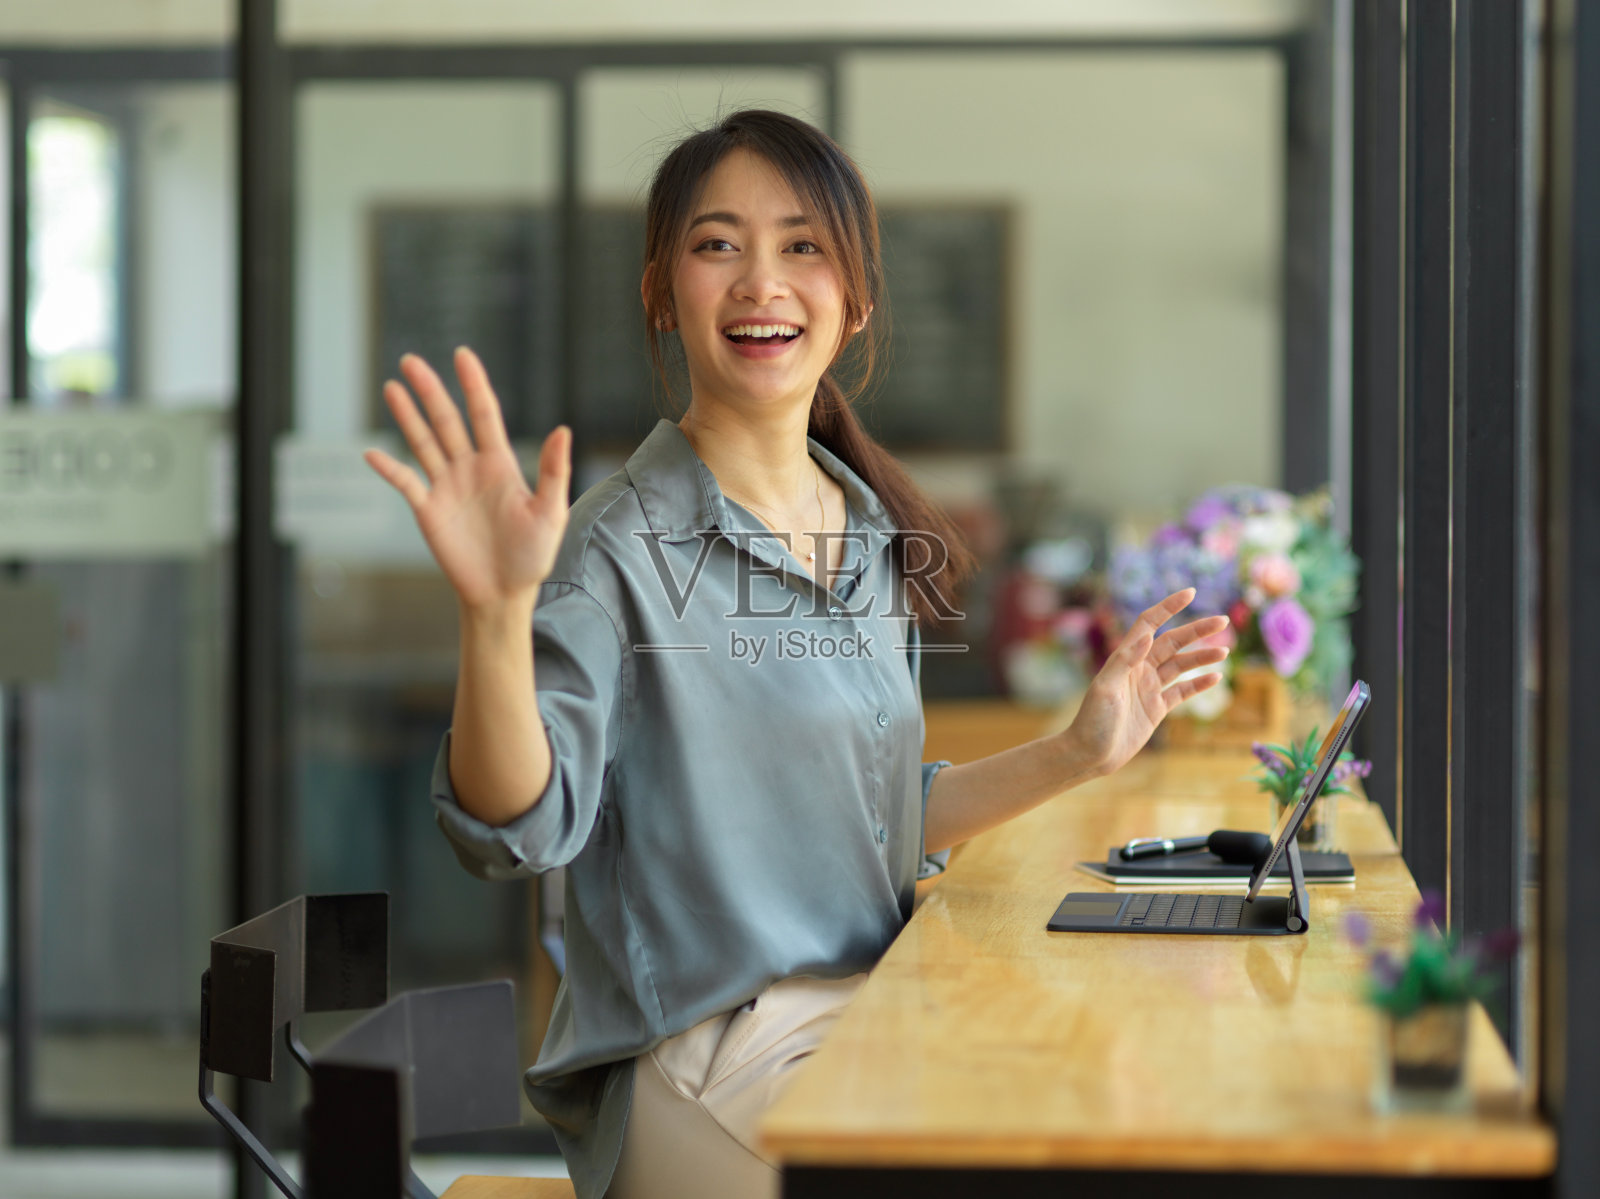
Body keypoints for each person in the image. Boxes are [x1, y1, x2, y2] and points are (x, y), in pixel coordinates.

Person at [364, 109, 1227, 1199]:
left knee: (1116, 1112)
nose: (759, 280)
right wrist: (494, 615)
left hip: (877, 1016)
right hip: (704, 1055)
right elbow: (518, 828)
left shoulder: (864, 524)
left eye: (801, 245)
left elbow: (872, 818)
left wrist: (1076, 753)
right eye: (717, 244)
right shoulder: (613, 544)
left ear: (855, 299)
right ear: (659, 292)